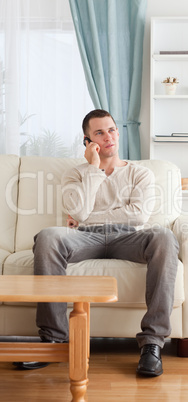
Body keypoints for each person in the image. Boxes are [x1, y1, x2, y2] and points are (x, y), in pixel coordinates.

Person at [14, 109, 179, 376]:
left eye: (111, 129)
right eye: (99, 133)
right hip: (85, 237)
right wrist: (93, 169)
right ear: (87, 142)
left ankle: (152, 344)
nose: (108, 137)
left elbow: (138, 215)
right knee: (48, 237)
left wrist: (88, 216)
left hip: (129, 236)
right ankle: (53, 340)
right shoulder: (75, 174)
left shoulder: (141, 174)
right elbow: (78, 213)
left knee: (164, 237)